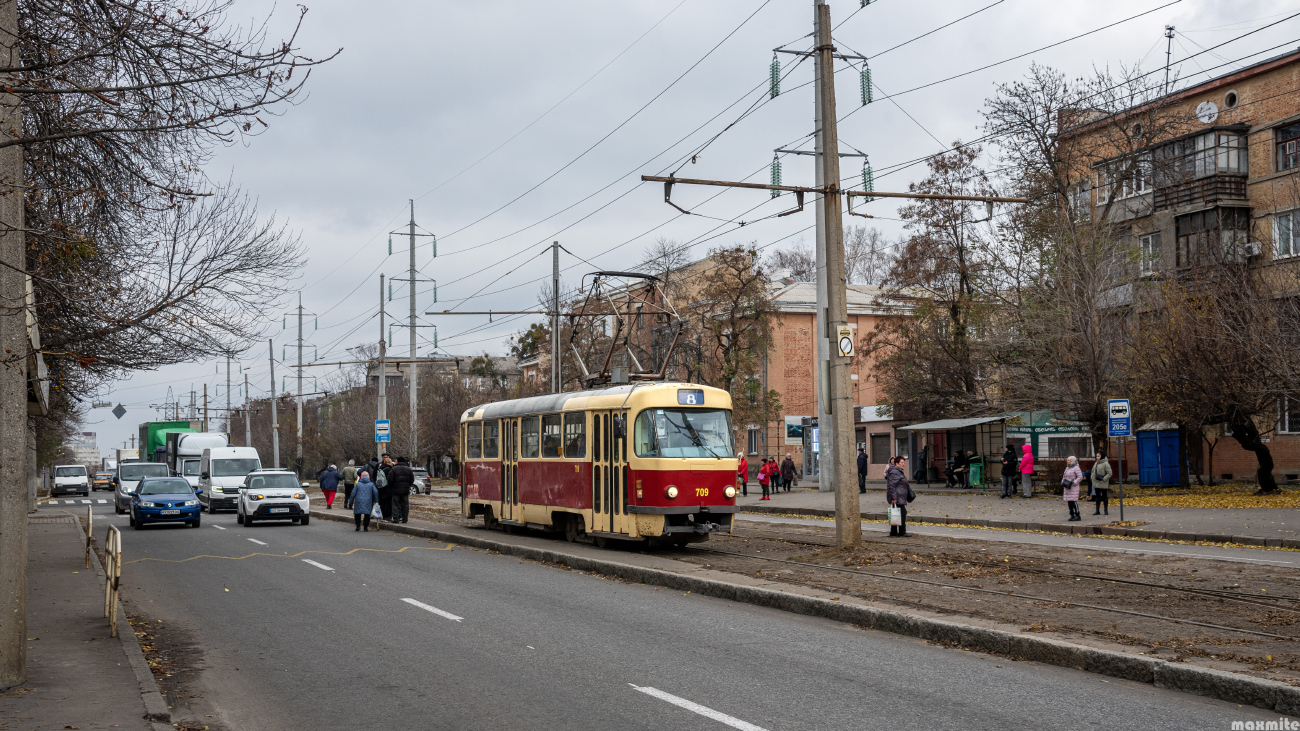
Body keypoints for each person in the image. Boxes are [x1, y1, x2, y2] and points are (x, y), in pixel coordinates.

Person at [885, 455, 910, 537]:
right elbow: (891, 486)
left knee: (896, 513)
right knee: (901, 513)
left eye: (904, 462)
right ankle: (902, 532)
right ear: (897, 463)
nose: (903, 464)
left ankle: (894, 532)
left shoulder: (897, 471)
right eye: (902, 462)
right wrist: (894, 497)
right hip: (897, 497)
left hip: (899, 496)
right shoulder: (895, 472)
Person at [389, 456, 415, 524]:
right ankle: (405, 519)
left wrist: (392, 486)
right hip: (405, 490)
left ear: (397, 461)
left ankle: (396, 519)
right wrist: (407, 485)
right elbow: (412, 479)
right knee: (405, 505)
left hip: (396, 489)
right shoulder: (408, 469)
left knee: (395, 505)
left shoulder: (394, 469)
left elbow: (390, 479)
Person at [1062, 455, 1083, 521]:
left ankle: (1077, 515)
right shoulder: (1067, 468)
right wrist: (1063, 482)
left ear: (1072, 461)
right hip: (1067, 486)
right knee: (1069, 501)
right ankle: (1072, 515)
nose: (1067, 461)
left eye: (1068, 460)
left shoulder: (1076, 468)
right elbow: (1064, 476)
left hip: (1073, 487)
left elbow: (1080, 477)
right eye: (1067, 460)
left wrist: (1073, 482)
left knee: (1073, 501)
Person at [1091, 451, 1112, 516]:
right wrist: (1092, 477)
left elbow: (1109, 473)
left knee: (1104, 496)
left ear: (1101, 456)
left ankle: (1105, 510)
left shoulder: (1106, 464)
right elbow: (1093, 471)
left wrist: (1104, 479)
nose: (1097, 457)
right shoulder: (1096, 463)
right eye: (1096, 456)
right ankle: (1097, 510)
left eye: (1098, 456)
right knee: (1097, 497)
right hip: (1096, 482)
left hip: (1103, 482)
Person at [376, 453, 395, 520]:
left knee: (382, 502)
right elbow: (391, 479)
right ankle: (388, 516)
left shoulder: (380, 468)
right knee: (388, 502)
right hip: (388, 488)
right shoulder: (390, 470)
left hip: (381, 487)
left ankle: (382, 515)